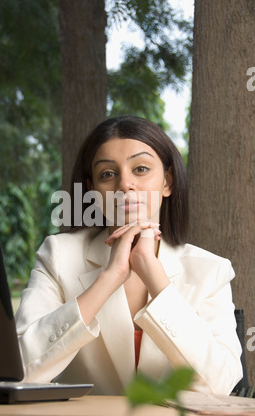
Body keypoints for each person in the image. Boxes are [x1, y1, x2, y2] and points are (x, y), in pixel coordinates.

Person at [15, 116, 242, 395]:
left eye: (141, 169)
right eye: (108, 174)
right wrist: (108, 278)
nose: (125, 184)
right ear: (92, 190)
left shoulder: (210, 270)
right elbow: (19, 370)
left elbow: (219, 384)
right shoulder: (58, 255)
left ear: (167, 182)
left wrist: (154, 275)